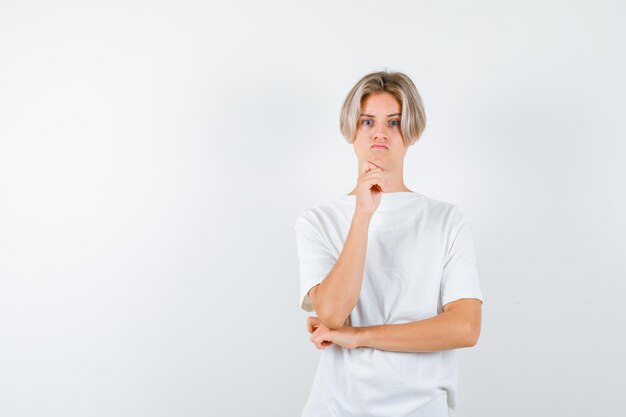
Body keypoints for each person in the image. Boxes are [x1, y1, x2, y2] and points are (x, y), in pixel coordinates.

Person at [294, 70, 484, 417]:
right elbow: (333, 313)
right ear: (351, 130)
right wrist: (362, 215)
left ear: (411, 132)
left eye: (394, 122)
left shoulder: (445, 220)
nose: (380, 132)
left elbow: (465, 327)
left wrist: (358, 336)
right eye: (367, 121)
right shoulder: (316, 221)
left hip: (422, 408)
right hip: (336, 407)